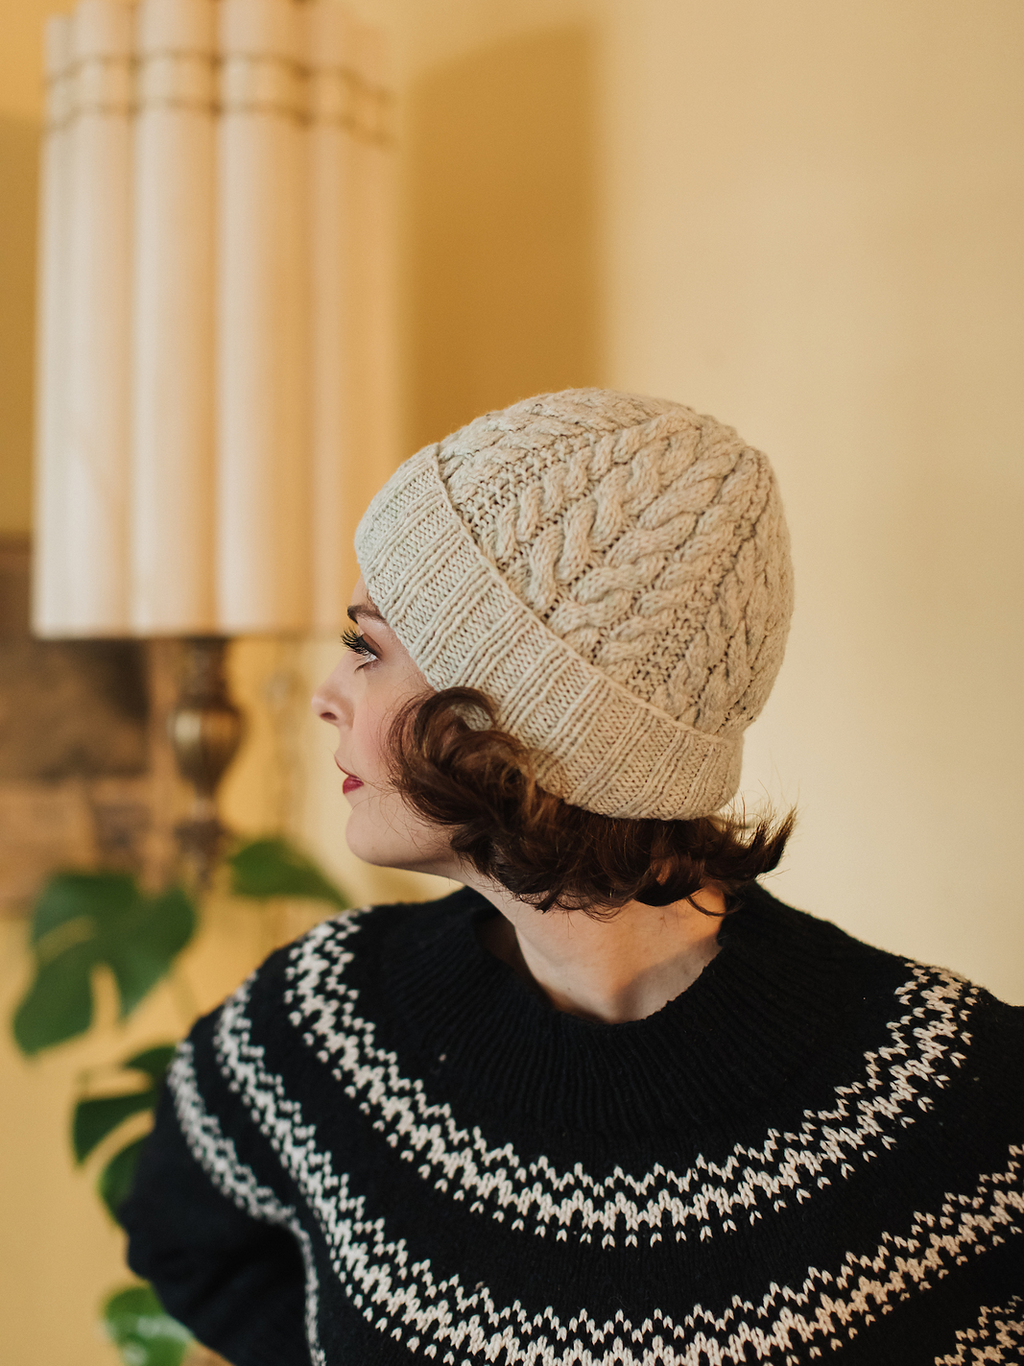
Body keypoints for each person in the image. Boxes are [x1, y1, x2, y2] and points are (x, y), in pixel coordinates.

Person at [123, 389, 1024, 1365]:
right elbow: (184, 1244)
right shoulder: (326, 1018)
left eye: (366, 648)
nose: (326, 695)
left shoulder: (959, 1100)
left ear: (520, 721)